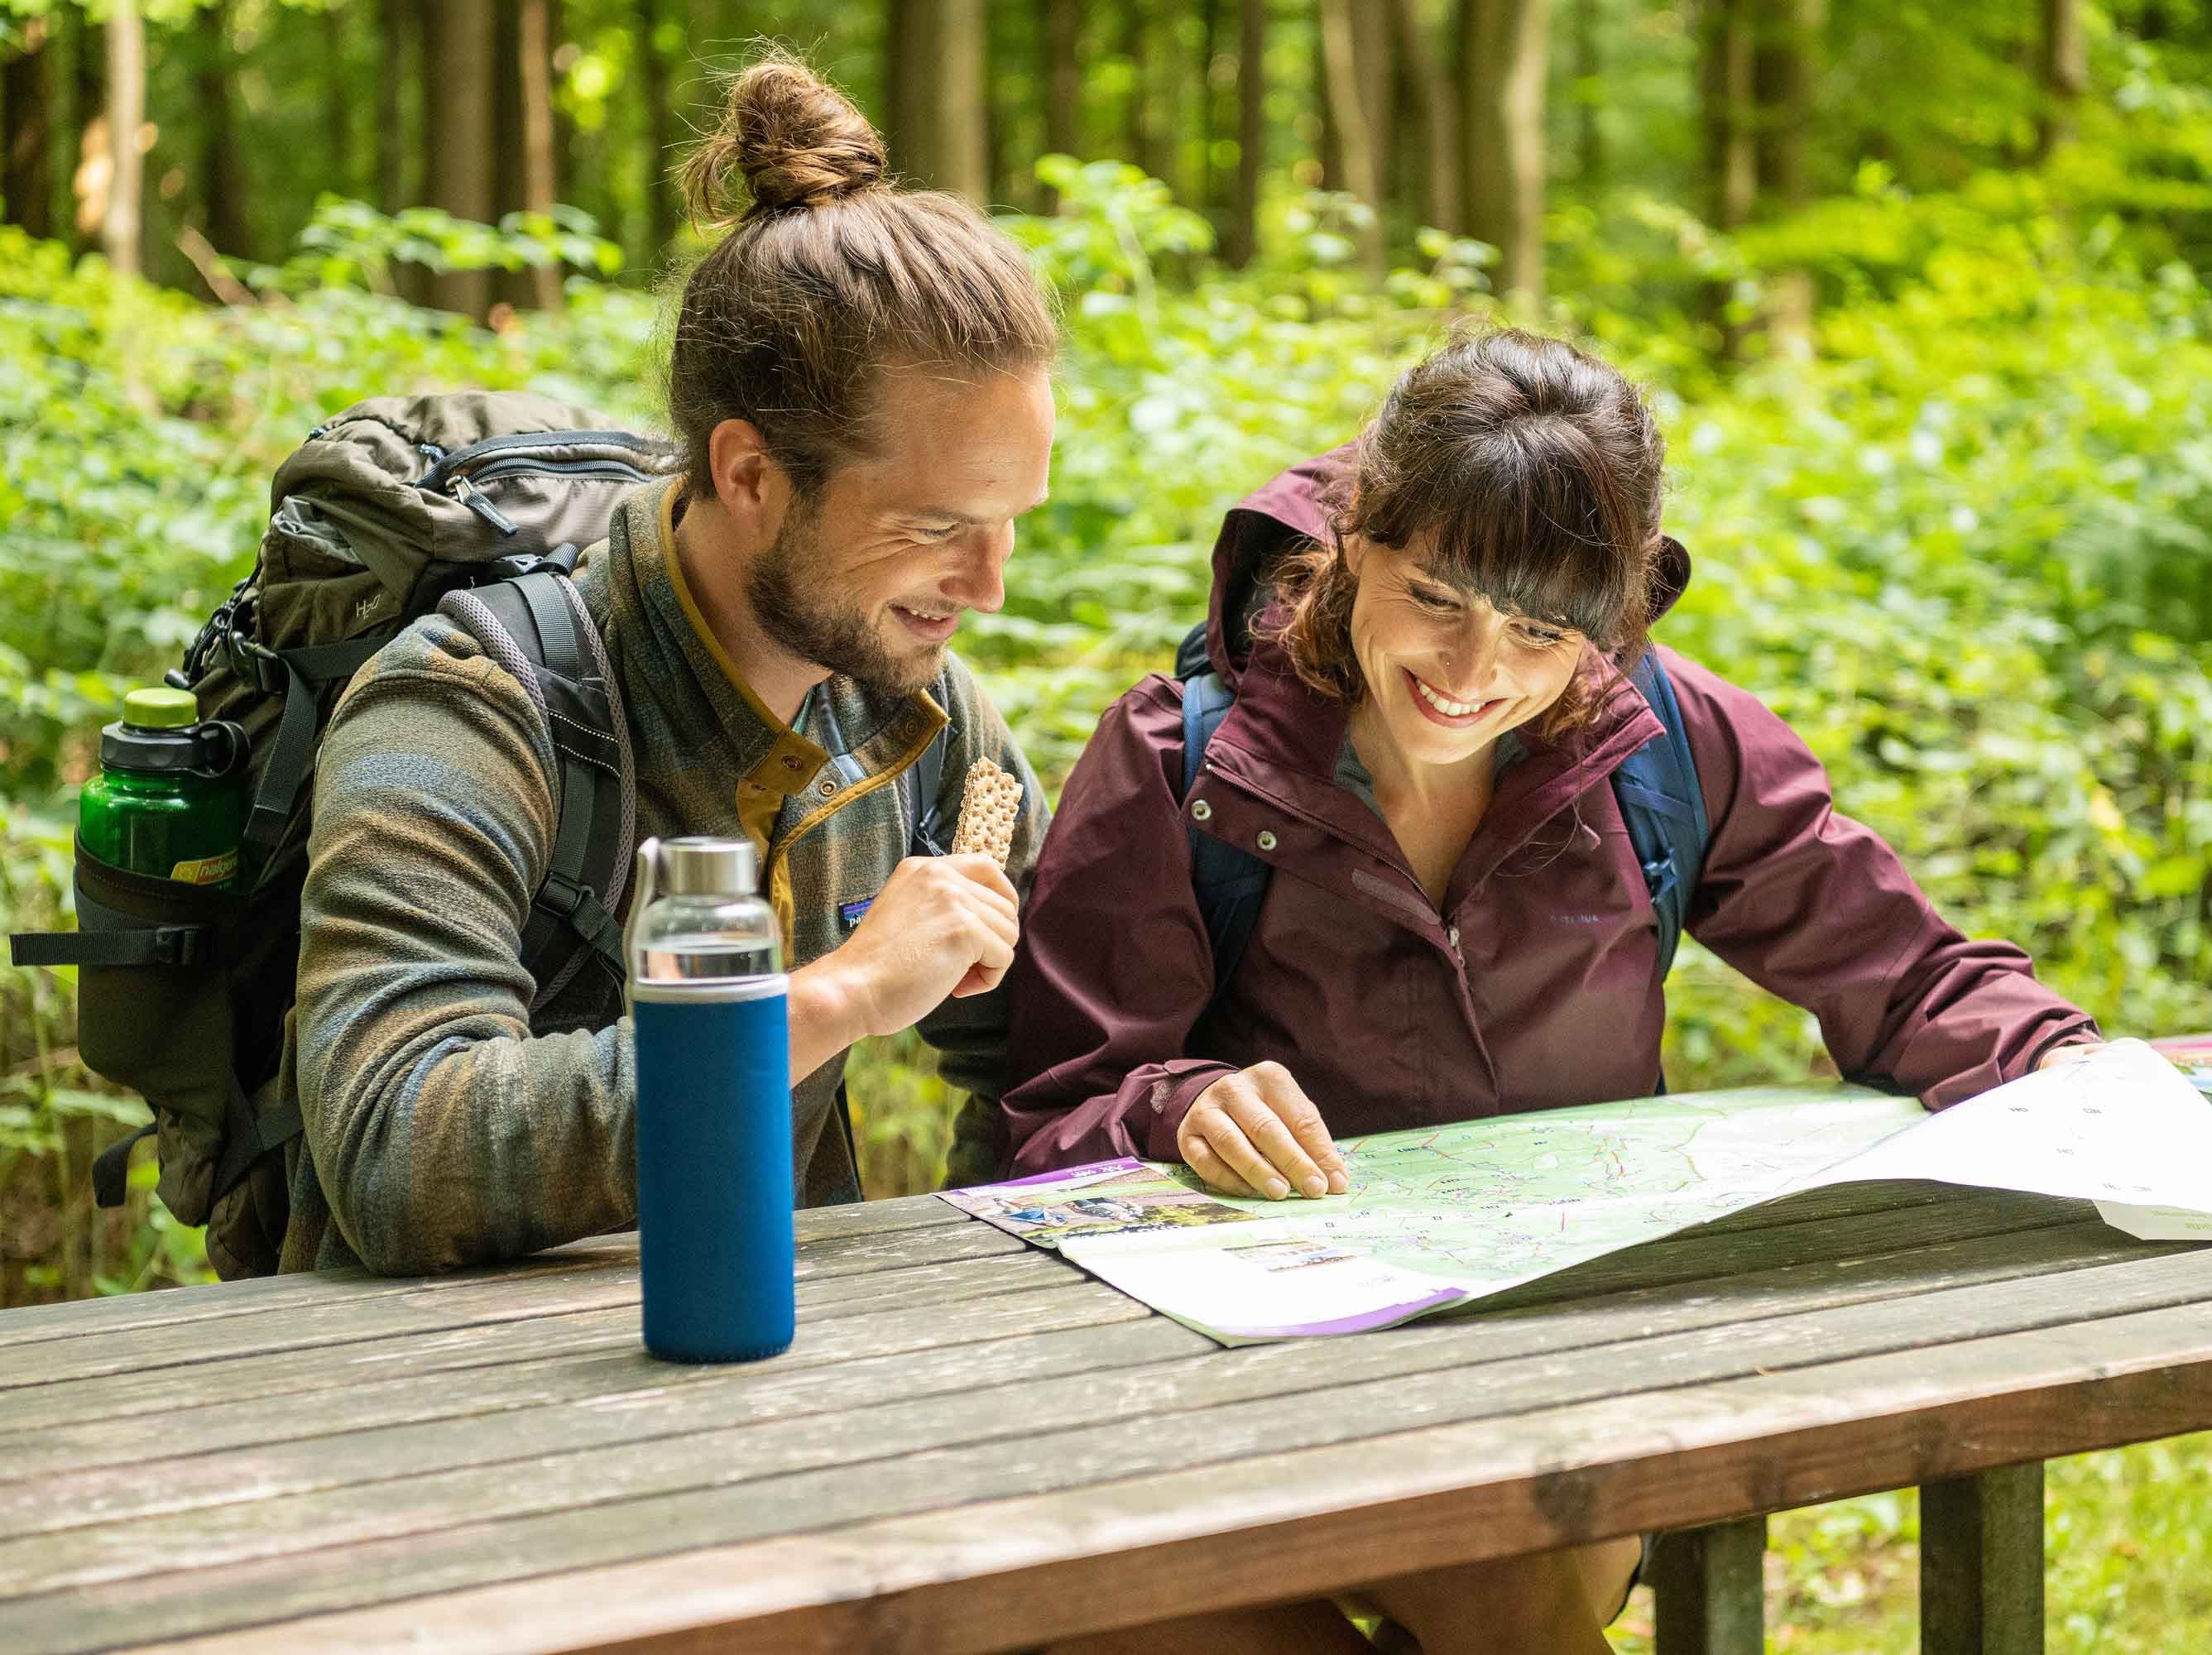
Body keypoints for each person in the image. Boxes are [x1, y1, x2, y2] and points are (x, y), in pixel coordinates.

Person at [998, 329, 2101, 1653]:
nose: (1473, 677)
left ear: (1614, 620)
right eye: (1437, 600)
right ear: (1357, 543)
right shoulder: (1185, 761)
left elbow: (1909, 969)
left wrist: (2063, 1065)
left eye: (1540, 631)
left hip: (1550, 1378)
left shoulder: (1672, 745)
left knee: (1513, 1584)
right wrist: (1181, 1106)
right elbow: (1053, 1114)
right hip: (1240, 1388)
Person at [279, 56, 1056, 1275]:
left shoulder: (927, 720)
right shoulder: (473, 704)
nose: (989, 586)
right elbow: (396, 1146)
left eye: (1011, 524)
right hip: (442, 1409)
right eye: (936, 526)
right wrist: (834, 999)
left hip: (780, 1367)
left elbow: (1060, 1054)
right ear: (749, 474)